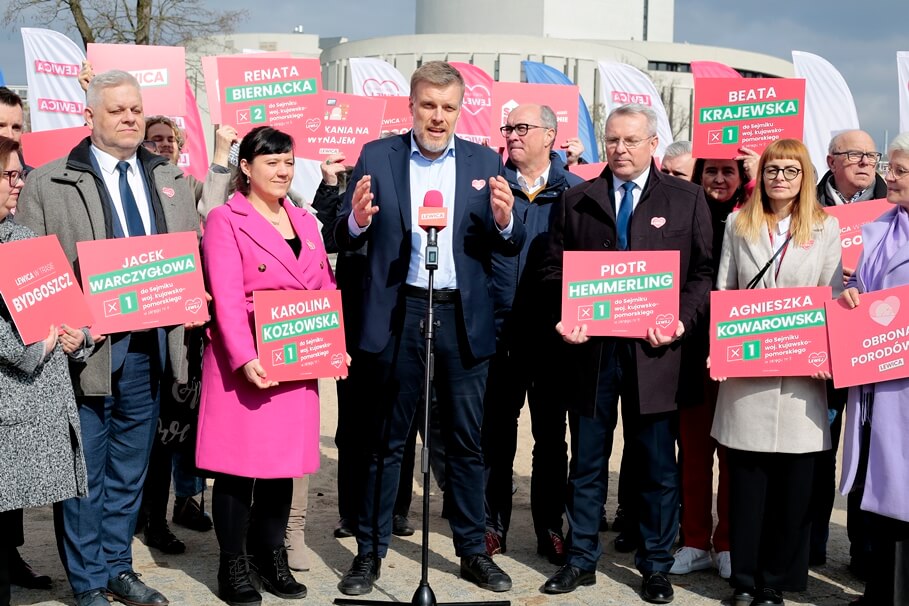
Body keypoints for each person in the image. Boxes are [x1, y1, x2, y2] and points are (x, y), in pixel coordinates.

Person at [333, 61, 525, 596]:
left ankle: (472, 551)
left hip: (461, 315)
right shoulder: (377, 155)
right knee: (385, 441)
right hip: (400, 312)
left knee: (465, 442)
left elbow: (507, 242)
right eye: (428, 106)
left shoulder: (486, 162)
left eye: (448, 107)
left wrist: (506, 220)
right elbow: (345, 234)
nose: (437, 117)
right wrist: (357, 220)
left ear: (460, 111)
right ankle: (369, 553)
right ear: (411, 107)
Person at [16, 70, 202, 606]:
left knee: (128, 470)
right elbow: (28, 268)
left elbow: (186, 255)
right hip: (84, 354)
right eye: (117, 110)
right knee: (85, 474)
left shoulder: (168, 178)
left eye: (135, 109)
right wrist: (61, 327)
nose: (129, 118)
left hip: (149, 349)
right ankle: (89, 580)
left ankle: (119, 567)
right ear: (89, 115)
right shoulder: (48, 182)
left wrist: (193, 296)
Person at [540, 104, 713, 604]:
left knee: (656, 465)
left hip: (656, 355)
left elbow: (702, 273)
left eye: (631, 140)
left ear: (653, 143)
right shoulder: (576, 200)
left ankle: (655, 565)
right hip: (591, 354)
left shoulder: (687, 199)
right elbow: (553, 271)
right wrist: (565, 316)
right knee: (587, 463)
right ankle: (581, 559)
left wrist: (681, 320)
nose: (620, 149)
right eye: (613, 140)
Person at [197, 126, 334, 606]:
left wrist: (333, 345)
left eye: (289, 162)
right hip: (246, 362)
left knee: (282, 468)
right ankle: (232, 562)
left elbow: (324, 289)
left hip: (296, 359)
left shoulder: (306, 222)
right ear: (246, 167)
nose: (282, 171)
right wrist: (244, 356)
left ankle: (270, 554)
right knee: (237, 470)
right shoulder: (225, 219)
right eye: (272, 161)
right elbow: (226, 298)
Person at [711, 139, 842, 606]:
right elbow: (724, 290)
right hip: (747, 376)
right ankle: (745, 580)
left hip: (801, 379)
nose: (780, 178)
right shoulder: (737, 223)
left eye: (790, 170)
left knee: (792, 490)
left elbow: (830, 296)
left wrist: (828, 353)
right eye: (772, 170)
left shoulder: (826, 227)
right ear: (761, 175)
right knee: (747, 486)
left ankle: (775, 582)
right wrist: (719, 348)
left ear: (805, 177)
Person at [481, 103, 582, 563]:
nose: (512, 135)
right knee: (495, 436)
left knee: (551, 439)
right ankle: (491, 525)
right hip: (498, 333)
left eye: (522, 127)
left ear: (550, 135)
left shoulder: (577, 193)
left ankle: (549, 527)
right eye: (508, 128)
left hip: (554, 336)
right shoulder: (487, 187)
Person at [0, 136, 89, 606]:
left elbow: (65, 310)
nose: (19, 184)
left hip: (34, 407)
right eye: (9, 175)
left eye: (20, 174)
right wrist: (38, 346)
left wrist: (77, 336)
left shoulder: (24, 239)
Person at [670, 155, 752, 580]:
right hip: (691, 351)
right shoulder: (682, 211)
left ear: (742, 177)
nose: (719, 179)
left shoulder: (753, 216)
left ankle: (729, 543)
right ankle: (694, 540)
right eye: (711, 171)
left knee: (734, 453)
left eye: (728, 171)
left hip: (740, 351)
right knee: (695, 453)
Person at [136, 115, 214, 557]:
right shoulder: (135, 189)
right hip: (149, 326)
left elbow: (214, 210)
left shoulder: (191, 186)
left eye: (171, 140)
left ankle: (186, 501)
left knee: (183, 424)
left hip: (189, 330)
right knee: (155, 432)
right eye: (155, 140)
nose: (164, 145)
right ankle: (151, 518)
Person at [838, 132, 909, 606]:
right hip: (875, 380)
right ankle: (879, 590)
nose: (889, 176)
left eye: (900, 170)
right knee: (878, 486)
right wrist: (851, 296)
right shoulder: (880, 227)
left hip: (902, 390)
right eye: (891, 167)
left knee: (902, 487)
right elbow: (863, 288)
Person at [811, 129, 883, 573]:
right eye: (854, 154)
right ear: (831, 160)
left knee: (870, 452)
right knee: (817, 448)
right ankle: (810, 543)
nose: (865, 162)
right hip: (819, 345)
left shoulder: (894, 208)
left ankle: (864, 550)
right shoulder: (807, 204)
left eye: (871, 155)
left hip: (874, 347)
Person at [0, 85, 57, 593]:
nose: (12, 136)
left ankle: (8, 553)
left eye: (18, 127)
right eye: (3, 128)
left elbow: (46, 299)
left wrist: (70, 327)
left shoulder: (18, 225)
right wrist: (35, 346)